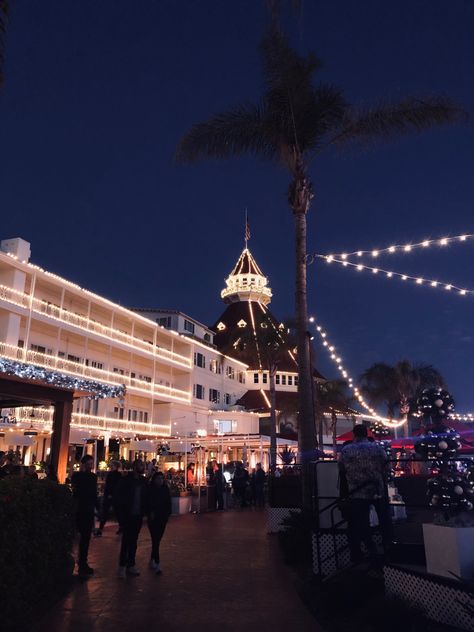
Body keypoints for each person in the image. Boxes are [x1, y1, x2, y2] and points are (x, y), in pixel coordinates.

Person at [339, 424, 392, 565]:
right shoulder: (377, 448)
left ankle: (365, 551)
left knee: (359, 523)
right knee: (384, 519)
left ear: (354, 434)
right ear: (367, 433)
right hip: (377, 490)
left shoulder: (346, 450)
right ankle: (388, 548)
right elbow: (388, 467)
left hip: (356, 492)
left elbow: (341, 469)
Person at [114, 459, 148, 578]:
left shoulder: (143, 481)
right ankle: (123, 565)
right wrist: (121, 514)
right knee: (126, 540)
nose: (142, 467)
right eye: (140, 465)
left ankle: (131, 564)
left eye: (142, 465)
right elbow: (119, 497)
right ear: (135, 467)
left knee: (133, 540)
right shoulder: (126, 481)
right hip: (128, 514)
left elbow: (146, 497)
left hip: (138, 514)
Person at [71, 454, 98, 578]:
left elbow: (93, 494)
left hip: (87, 508)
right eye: (88, 464)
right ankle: (80, 562)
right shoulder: (78, 476)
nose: (90, 466)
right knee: (82, 537)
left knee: (85, 537)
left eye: (91, 464)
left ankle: (82, 562)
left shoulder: (92, 477)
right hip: (81, 508)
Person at [147, 472, 172, 574]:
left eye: (161, 479)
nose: (160, 481)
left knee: (157, 540)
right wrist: (150, 512)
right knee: (155, 539)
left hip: (162, 517)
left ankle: (153, 558)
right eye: (158, 479)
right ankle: (157, 562)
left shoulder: (165, 489)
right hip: (153, 518)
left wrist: (167, 514)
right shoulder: (150, 490)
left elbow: (168, 503)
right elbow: (148, 502)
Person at [98, 461, 122, 535]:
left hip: (112, 496)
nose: (111, 466)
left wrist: (110, 494)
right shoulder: (114, 474)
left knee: (111, 512)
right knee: (110, 512)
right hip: (111, 495)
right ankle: (101, 528)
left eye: (112, 465)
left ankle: (101, 528)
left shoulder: (116, 475)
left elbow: (113, 485)